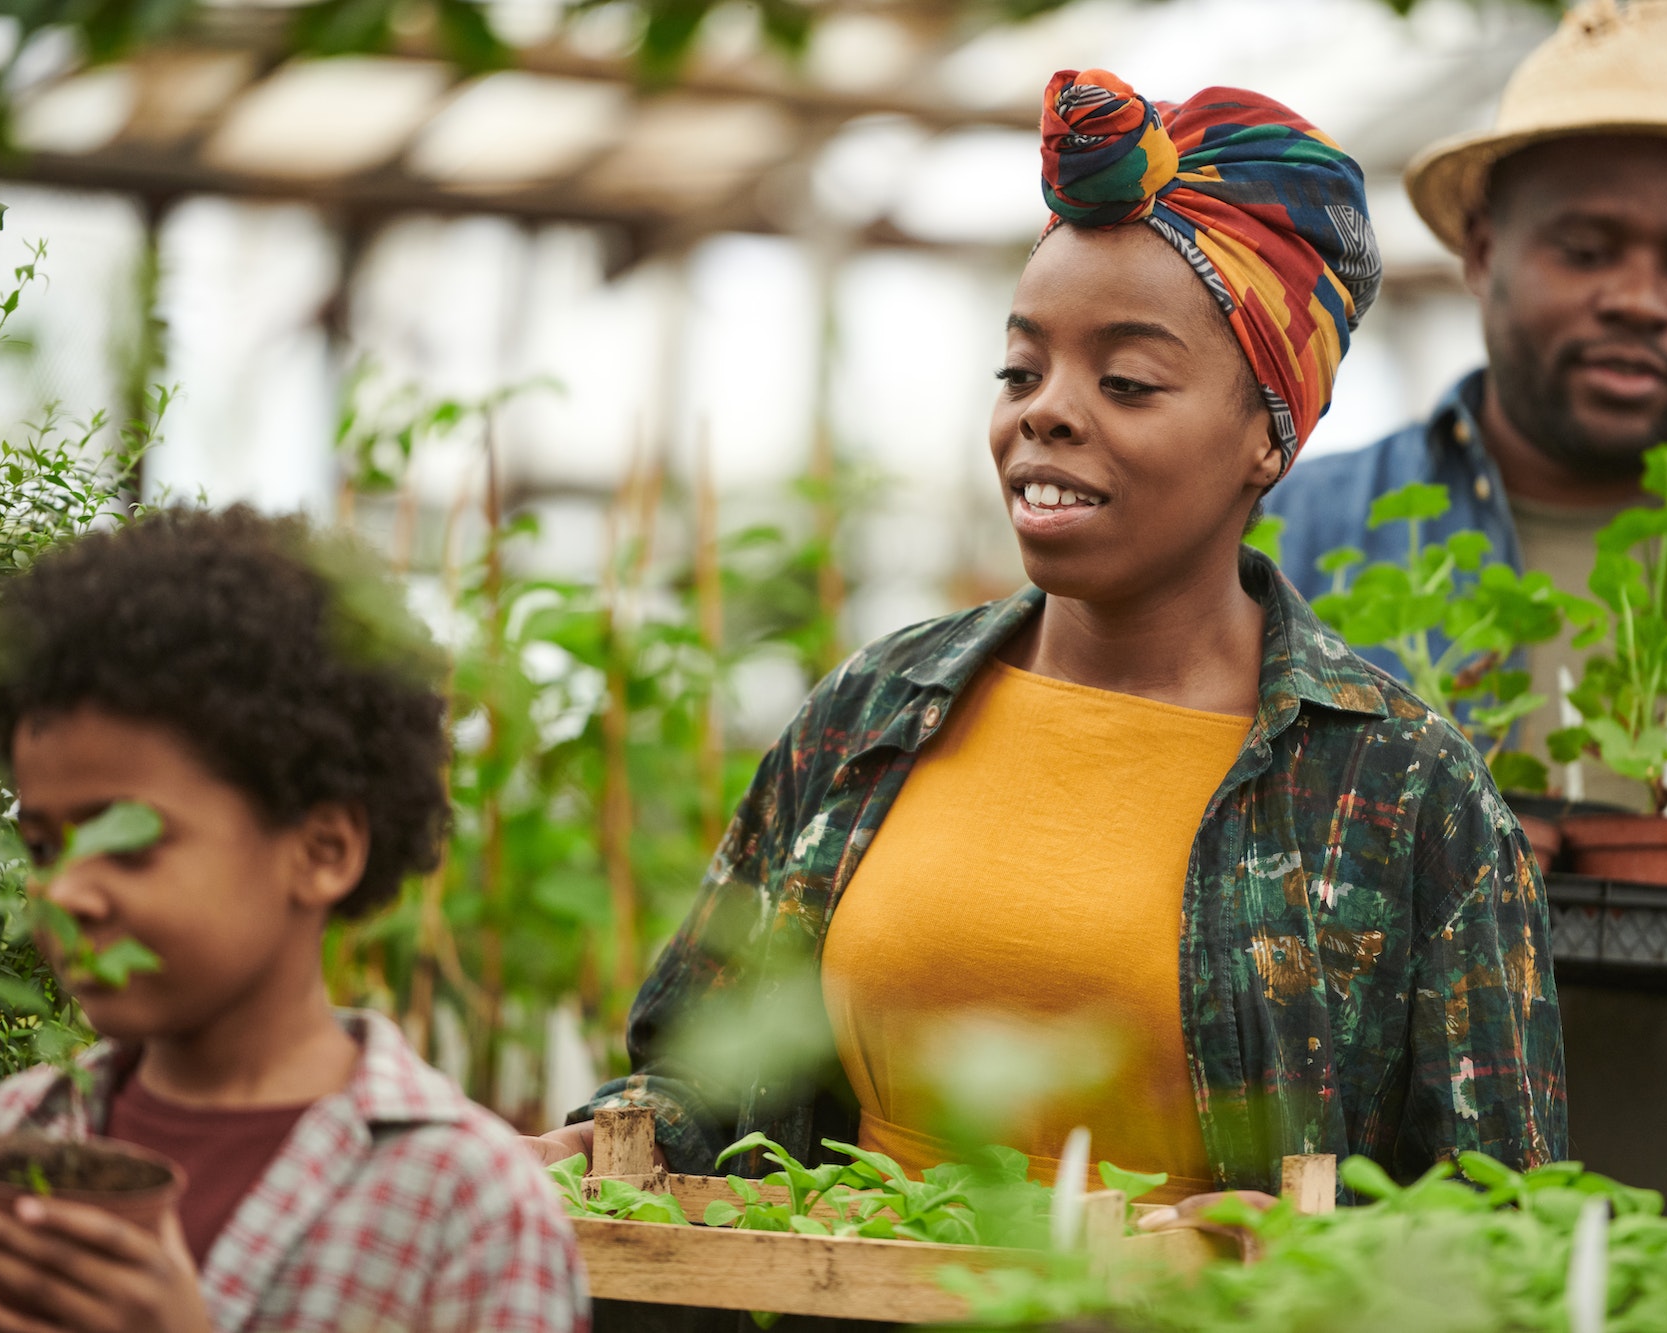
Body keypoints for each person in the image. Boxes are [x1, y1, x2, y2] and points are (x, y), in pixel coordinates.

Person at [532, 70, 1564, 1211]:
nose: (1045, 411)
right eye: (1019, 369)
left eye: (1125, 380)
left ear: (1266, 442)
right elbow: (699, 1072)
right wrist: (609, 1144)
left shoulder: (1399, 791)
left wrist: (1316, 1250)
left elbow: (1499, 1210)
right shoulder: (870, 715)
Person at [1267, 0, 1667, 1193]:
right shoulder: (1292, 537)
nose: (1640, 298)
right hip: (1385, 1246)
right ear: (1482, 249)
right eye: (1586, 247)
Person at [0, 508, 588, 1333]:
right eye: (41, 846)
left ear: (321, 849)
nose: (67, 891)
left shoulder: (469, 1201)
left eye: (129, 841)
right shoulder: (14, 1129)